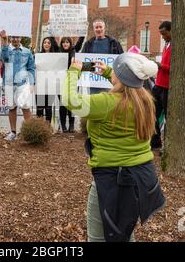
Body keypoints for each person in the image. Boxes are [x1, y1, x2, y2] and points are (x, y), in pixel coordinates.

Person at [62, 53, 165, 242]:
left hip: (112, 180)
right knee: (123, 232)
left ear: (120, 77)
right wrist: (110, 72)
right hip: (141, 177)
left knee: (98, 237)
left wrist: (74, 72)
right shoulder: (145, 100)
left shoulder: (106, 103)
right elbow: (126, 88)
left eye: (115, 71)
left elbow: (71, 101)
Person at [0, 30, 35, 141]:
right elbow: (4, 59)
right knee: (12, 108)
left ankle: (29, 132)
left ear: (20, 38)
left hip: (23, 84)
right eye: (13, 37)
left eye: (17, 37)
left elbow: (31, 68)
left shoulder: (27, 51)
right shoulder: (6, 49)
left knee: (25, 107)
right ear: (11, 38)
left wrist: (32, 83)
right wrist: (4, 40)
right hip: (9, 83)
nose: (15, 39)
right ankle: (13, 132)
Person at [81, 18, 123, 94]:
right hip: (93, 83)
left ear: (104, 28)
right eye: (96, 27)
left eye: (100, 27)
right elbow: (83, 63)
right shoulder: (88, 44)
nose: (99, 29)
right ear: (94, 29)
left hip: (110, 83)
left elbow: (121, 60)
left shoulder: (114, 43)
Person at [150, 21, 172, 151]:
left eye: (164, 34)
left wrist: (160, 66)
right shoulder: (166, 44)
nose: (163, 37)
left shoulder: (176, 45)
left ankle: (168, 146)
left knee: (168, 117)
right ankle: (155, 141)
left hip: (167, 87)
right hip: (158, 84)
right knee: (151, 113)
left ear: (171, 31)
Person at [58, 36, 84, 132]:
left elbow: (80, 43)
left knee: (71, 103)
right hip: (60, 81)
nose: (65, 44)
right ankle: (63, 126)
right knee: (62, 104)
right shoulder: (58, 52)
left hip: (72, 81)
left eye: (67, 42)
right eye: (63, 42)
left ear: (70, 44)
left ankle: (71, 125)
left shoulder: (74, 51)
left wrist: (83, 32)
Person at [36, 37, 59, 124]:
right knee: (40, 107)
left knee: (48, 107)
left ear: (51, 44)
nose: (46, 44)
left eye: (49, 43)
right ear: (42, 44)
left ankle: (48, 127)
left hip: (50, 84)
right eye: (45, 42)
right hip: (40, 84)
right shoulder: (38, 56)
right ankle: (39, 127)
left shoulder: (55, 56)